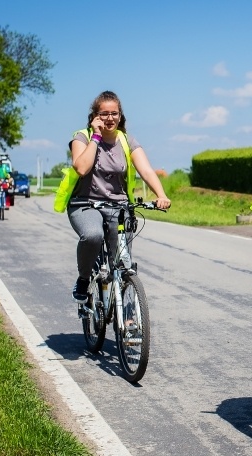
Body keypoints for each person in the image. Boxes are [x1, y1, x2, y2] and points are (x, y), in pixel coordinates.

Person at [59, 90, 171, 303]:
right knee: (92, 236)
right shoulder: (82, 137)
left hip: (118, 206)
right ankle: (83, 279)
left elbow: (146, 171)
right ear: (95, 116)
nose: (109, 118)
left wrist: (161, 194)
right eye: (104, 114)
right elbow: (81, 168)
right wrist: (97, 137)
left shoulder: (127, 141)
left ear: (120, 116)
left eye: (114, 113)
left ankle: (128, 317)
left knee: (122, 263)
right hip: (85, 204)